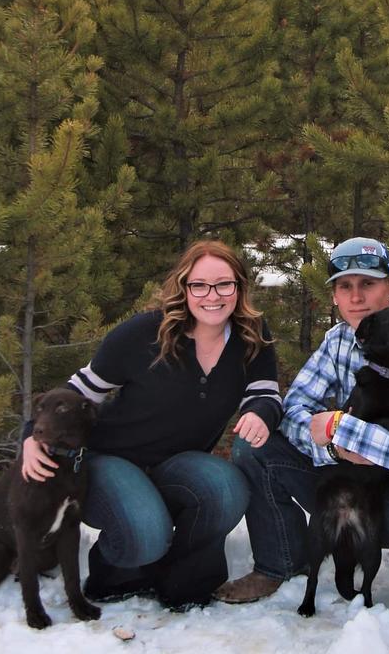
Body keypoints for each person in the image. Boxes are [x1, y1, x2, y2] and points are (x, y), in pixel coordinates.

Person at [21, 239, 282, 610]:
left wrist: (258, 413)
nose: (212, 296)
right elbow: (77, 392)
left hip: (175, 463)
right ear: (184, 287)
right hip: (108, 460)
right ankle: (118, 573)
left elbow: (265, 393)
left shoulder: (252, 335)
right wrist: (32, 436)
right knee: (146, 533)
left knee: (226, 488)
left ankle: (184, 579)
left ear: (239, 288)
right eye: (199, 285)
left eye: (224, 284)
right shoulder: (143, 334)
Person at [216, 236, 389, 606]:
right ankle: (279, 565)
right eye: (345, 286)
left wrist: (340, 430)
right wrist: (334, 450)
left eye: (368, 284)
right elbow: (294, 408)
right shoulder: (338, 341)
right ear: (333, 296)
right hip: (353, 493)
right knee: (255, 444)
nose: (356, 297)